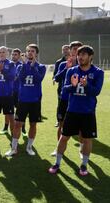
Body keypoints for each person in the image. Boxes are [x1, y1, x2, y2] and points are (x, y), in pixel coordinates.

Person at [49, 45, 104, 176]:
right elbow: (64, 90)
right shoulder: (71, 70)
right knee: (64, 137)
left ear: (90, 57)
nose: (80, 57)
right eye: (79, 54)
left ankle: (84, 165)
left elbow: (96, 91)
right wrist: (73, 86)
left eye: (83, 54)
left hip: (88, 112)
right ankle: (57, 163)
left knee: (87, 139)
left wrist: (87, 85)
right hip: (72, 111)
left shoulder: (98, 72)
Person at [5, 44, 46, 157]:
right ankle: (14, 148)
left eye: (32, 51)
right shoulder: (20, 66)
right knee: (18, 124)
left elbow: (39, 79)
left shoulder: (41, 67)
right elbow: (20, 78)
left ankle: (29, 147)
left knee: (33, 124)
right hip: (23, 100)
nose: (30, 53)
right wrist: (25, 65)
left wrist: (32, 66)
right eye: (28, 51)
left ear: (36, 53)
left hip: (35, 100)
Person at [52, 41, 83, 156]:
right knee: (61, 124)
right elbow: (56, 78)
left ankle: (82, 149)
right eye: (74, 48)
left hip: (79, 99)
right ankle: (58, 149)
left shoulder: (85, 65)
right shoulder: (63, 64)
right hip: (64, 98)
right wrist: (66, 68)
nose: (76, 51)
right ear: (70, 50)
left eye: (78, 48)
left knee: (81, 127)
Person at [10, 48, 27, 136]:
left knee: (20, 111)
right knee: (10, 112)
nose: (13, 56)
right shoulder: (9, 64)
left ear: (19, 56)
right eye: (12, 54)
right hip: (9, 91)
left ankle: (23, 128)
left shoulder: (22, 65)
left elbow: (17, 77)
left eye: (15, 54)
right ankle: (10, 129)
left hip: (19, 92)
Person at [53, 45, 70, 127]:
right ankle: (59, 120)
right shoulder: (59, 62)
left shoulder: (77, 61)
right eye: (63, 50)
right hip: (62, 87)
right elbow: (55, 75)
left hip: (74, 88)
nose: (65, 51)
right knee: (60, 104)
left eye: (67, 49)